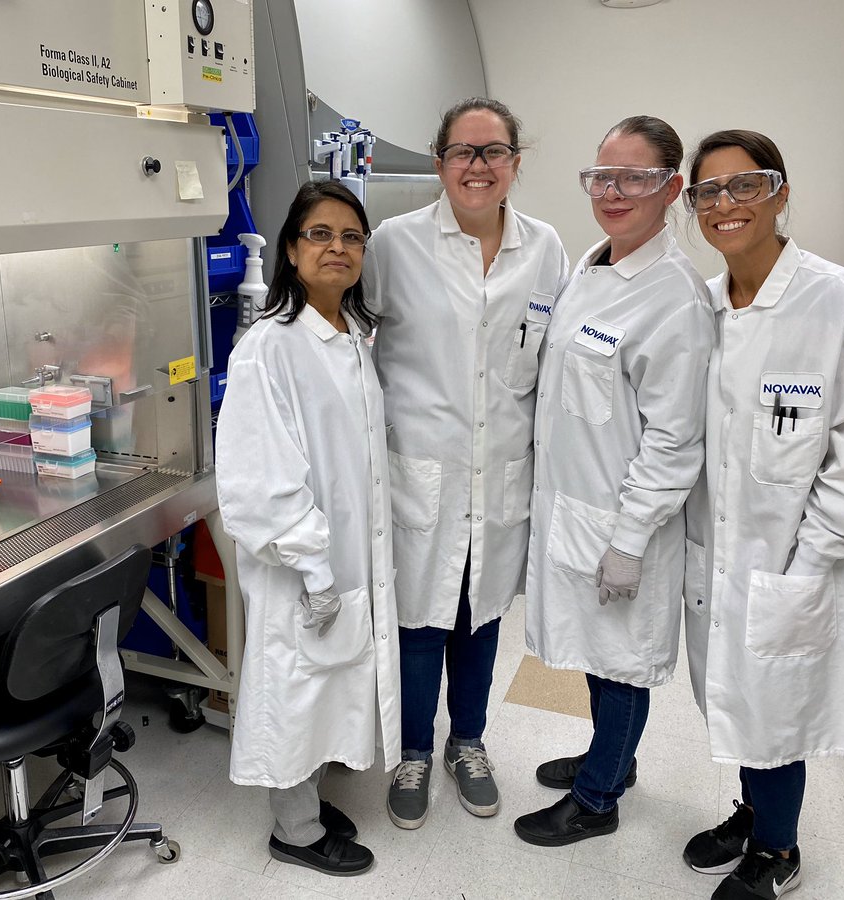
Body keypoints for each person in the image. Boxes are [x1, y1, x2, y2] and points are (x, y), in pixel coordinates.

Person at [678, 130, 844, 900]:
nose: (726, 205)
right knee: (743, 700)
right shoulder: (704, 305)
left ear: (782, 193)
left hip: (801, 559)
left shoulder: (840, 301)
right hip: (721, 547)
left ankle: (778, 850)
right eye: (709, 193)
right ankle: (753, 814)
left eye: (745, 186)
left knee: (774, 711)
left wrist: (812, 558)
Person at [361, 97, 569, 829]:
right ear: (440, 160)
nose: (477, 167)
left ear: (516, 161)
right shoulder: (394, 242)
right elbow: (355, 340)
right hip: (421, 470)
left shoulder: (546, 249)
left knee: (480, 618)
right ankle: (414, 751)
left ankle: (467, 743)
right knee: (420, 621)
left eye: (493, 152)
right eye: (462, 152)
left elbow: (552, 369)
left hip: (503, 471)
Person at [512, 116, 713, 847]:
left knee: (620, 663)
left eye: (635, 177)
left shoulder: (673, 295)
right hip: (573, 508)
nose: (614, 191)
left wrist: (629, 539)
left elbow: (674, 437)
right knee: (598, 657)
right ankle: (612, 759)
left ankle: (599, 799)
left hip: (624, 523)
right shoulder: (589, 269)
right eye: (602, 176)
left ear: (672, 188)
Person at [215, 181, 400, 877]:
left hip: (340, 556)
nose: (338, 248)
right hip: (302, 564)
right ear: (292, 250)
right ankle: (293, 828)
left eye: (351, 237)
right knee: (293, 685)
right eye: (320, 234)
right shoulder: (271, 347)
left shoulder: (351, 336)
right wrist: (313, 566)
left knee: (327, 682)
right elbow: (262, 476)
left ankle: (312, 802)